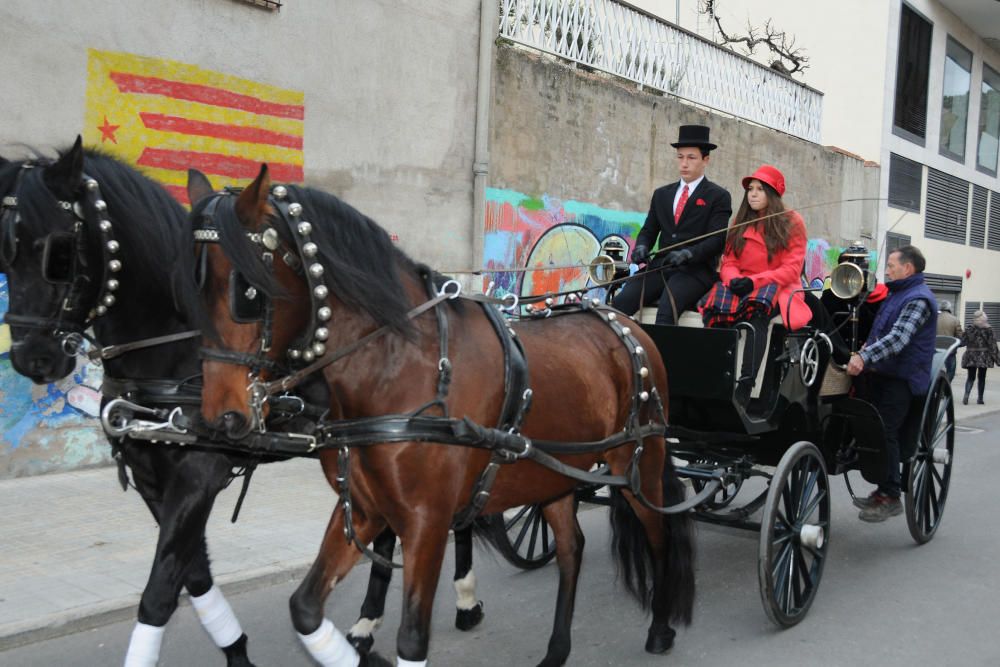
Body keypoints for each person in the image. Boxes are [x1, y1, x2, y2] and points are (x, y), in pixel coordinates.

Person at [698, 164, 810, 404]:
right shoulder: (740, 220)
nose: (753, 194)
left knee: (757, 317)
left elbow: (791, 269)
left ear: (773, 193)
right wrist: (733, 279)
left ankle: (746, 385)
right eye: (750, 189)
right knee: (715, 313)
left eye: (760, 189)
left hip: (776, 286)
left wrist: (753, 282)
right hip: (741, 284)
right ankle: (714, 381)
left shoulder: (792, 221)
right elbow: (728, 259)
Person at [846, 245, 937, 522]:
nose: (887, 269)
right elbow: (880, 333)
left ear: (908, 268)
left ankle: (891, 495)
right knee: (872, 426)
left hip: (904, 377)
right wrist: (865, 348)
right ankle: (881, 489)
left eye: (891, 265)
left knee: (886, 431)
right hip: (883, 372)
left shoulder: (918, 299)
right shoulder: (898, 294)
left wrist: (864, 356)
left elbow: (898, 339)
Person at [611, 125, 732, 324]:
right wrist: (642, 246)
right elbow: (649, 230)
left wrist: (689, 254)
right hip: (660, 266)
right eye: (680, 157)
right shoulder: (662, 194)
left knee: (667, 309)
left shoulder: (718, 196)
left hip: (696, 271)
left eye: (691, 158)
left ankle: (662, 355)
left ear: (706, 160)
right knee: (620, 303)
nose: (684, 163)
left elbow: (717, 240)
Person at [959, 310, 1000, 405]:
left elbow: (963, 342)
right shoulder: (989, 329)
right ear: (983, 318)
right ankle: (980, 399)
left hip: (971, 355)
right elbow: (992, 345)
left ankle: (966, 396)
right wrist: (998, 360)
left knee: (970, 377)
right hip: (983, 357)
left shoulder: (969, 328)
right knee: (981, 378)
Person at [936, 300, 962, 382]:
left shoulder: (934, 318)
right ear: (949, 308)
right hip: (950, 351)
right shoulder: (955, 320)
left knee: (935, 370)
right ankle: (945, 387)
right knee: (950, 370)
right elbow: (959, 336)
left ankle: (937, 387)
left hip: (935, 350)